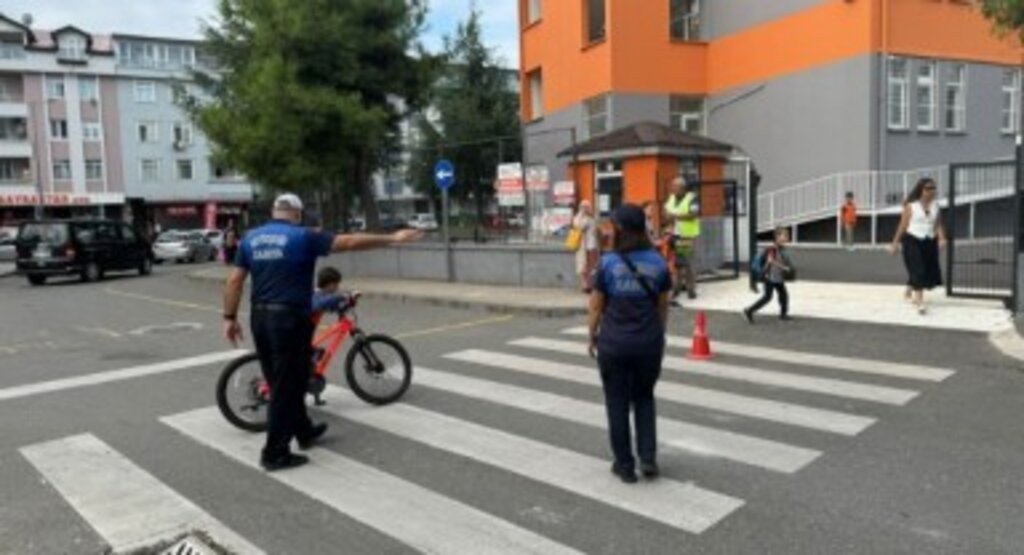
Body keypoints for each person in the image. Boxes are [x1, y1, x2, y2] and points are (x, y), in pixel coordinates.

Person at [223, 193, 422, 471]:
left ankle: (303, 431)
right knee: (286, 388)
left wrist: (229, 318)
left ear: (274, 211)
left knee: (283, 378)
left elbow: (234, 281)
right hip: (290, 319)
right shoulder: (303, 236)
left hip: (260, 318)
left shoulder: (251, 238)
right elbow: (350, 241)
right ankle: (274, 453)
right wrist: (393, 238)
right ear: (297, 213)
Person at [587, 204, 671, 484]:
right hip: (648, 343)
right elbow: (662, 307)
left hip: (614, 345)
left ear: (620, 229)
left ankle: (624, 465)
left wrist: (591, 336)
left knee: (617, 403)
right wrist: (658, 336)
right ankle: (648, 458)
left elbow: (596, 306)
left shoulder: (608, 263)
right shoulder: (658, 262)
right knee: (645, 397)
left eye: (612, 225)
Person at [889, 178, 946, 315]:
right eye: (928, 188)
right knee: (917, 267)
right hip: (912, 239)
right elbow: (902, 225)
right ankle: (919, 301)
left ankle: (910, 287)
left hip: (929, 240)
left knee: (925, 267)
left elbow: (937, 223)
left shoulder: (936, 206)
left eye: (933, 188)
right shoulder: (911, 206)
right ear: (921, 190)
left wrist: (942, 237)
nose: (931, 191)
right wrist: (895, 243)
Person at [743, 227, 794, 324]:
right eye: (784, 235)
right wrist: (784, 268)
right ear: (777, 237)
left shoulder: (781, 248)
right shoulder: (772, 248)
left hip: (777, 278)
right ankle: (749, 311)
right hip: (770, 278)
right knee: (767, 297)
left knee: (783, 295)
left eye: (787, 236)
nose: (786, 238)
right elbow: (770, 261)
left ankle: (783, 314)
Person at [664, 177, 701, 303]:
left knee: (688, 262)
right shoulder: (672, 198)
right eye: (672, 186)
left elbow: (693, 215)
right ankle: (677, 288)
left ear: (682, 188)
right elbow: (666, 213)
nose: (673, 189)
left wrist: (675, 216)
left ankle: (691, 289)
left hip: (687, 235)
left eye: (675, 187)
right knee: (678, 263)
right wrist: (667, 219)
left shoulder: (692, 198)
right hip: (674, 234)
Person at [573, 200, 600, 293]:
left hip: (593, 245)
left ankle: (592, 283)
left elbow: (597, 228)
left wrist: (591, 215)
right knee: (583, 265)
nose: (586, 208)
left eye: (588, 206)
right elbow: (579, 227)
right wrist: (582, 215)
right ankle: (585, 285)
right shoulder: (578, 217)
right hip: (582, 245)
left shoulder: (593, 217)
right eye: (584, 206)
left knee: (592, 265)